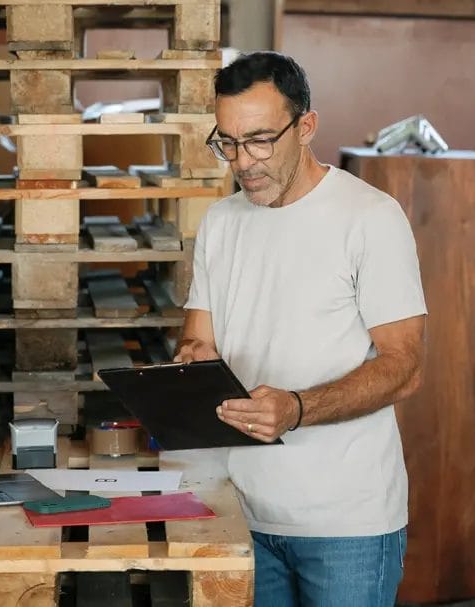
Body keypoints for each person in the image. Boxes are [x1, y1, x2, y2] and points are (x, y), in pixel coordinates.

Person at [173, 51, 428, 607]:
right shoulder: (222, 222)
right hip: (238, 510)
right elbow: (198, 341)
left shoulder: (370, 218)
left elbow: (404, 368)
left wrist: (297, 408)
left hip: (346, 523)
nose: (244, 162)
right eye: (229, 143)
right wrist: (187, 367)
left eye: (261, 140)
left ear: (306, 126)